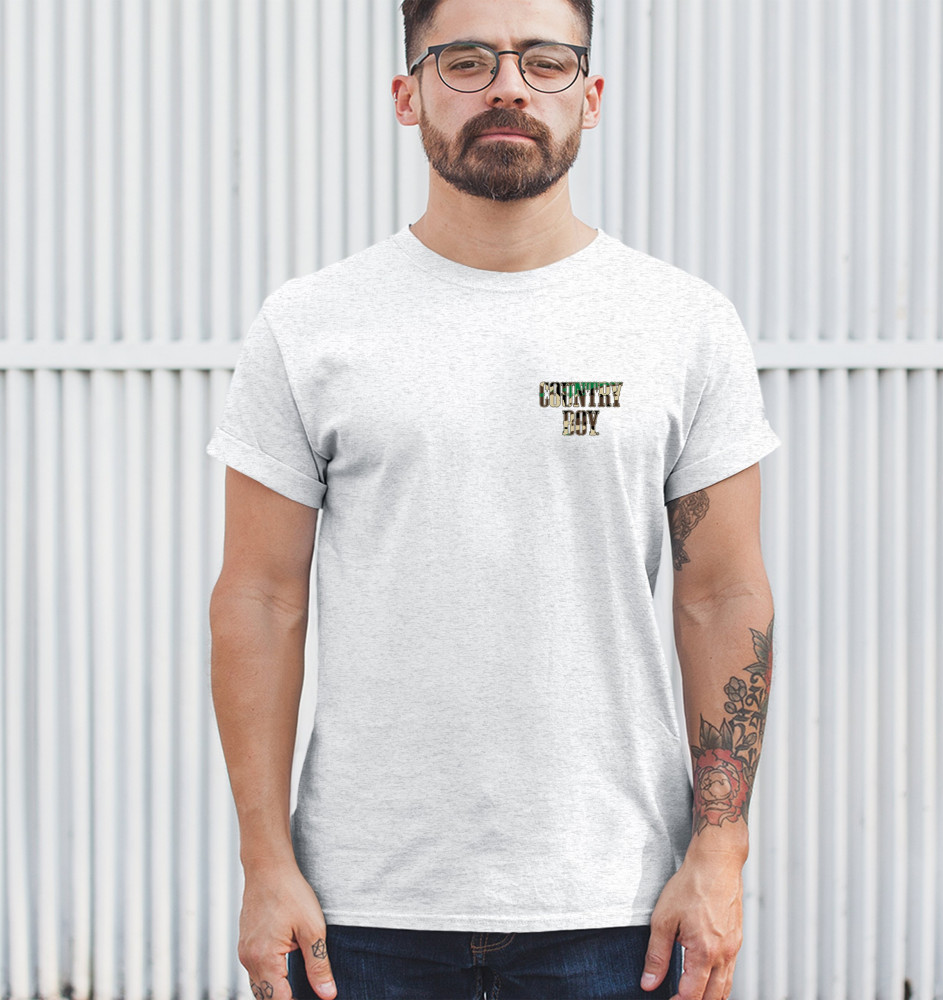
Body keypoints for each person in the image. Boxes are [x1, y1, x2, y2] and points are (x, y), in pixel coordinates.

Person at [206, 0, 779, 997]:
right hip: (360, 911)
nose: (508, 86)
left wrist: (720, 851)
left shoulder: (682, 324)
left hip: (615, 907)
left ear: (590, 96)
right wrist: (264, 862)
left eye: (545, 61)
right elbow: (260, 597)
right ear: (407, 95)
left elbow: (722, 595)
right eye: (466, 60)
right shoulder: (309, 325)